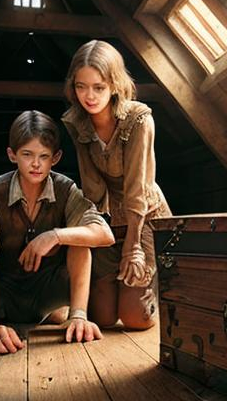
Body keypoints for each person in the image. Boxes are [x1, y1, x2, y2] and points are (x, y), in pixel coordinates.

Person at [0, 110, 114, 355]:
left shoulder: (66, 190)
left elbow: (104, 234)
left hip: (50, 289)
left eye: (44, 156)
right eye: (27, 155)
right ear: (12, 155)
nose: (36, 164)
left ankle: (75, 314)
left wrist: (54, 235)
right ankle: (17, 318)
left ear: (56, 158)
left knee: (80, 237)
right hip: (4, 293)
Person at [62, 40, 172, 330]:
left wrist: (133, 246)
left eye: (98, 87)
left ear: (114, 84)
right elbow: (91, 184)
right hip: (109, 219)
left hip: (145, 215)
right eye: (81, 86)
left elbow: (138, 186)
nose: (89, 96)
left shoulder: (138, 119)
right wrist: (95, 231)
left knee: (135, 318)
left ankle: (156, 286)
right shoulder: (75, 121)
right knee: (104, 318)